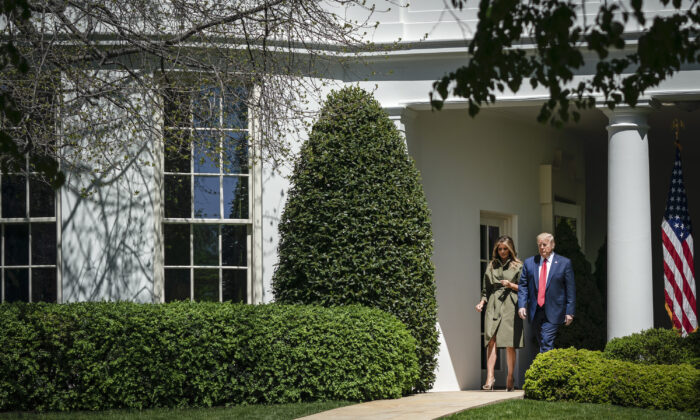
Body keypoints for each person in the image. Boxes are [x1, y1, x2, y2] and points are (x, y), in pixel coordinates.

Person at [475, 235, 523, 392]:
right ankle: (490, 378)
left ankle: (510, 377)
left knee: (509, 343)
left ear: (510, 250)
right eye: (499, 249)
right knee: (491, 340)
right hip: (494, 304)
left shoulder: (518, 266)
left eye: (505, 249)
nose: (502, 252)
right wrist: (482, 302)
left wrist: (511, 285)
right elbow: (485, 289)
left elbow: (525, 288)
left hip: (510, 303)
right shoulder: (491, 266)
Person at [517, 232, 575, 353]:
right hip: (535, 311)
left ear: (552, 245)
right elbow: (523, 285)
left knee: (546, 341)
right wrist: (522, 305)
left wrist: (570, 311)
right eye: (539, 245)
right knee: (542, 341)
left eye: (545, 244)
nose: (542, 247)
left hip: (554, 310)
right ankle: (550, 367)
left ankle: (544, 369)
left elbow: (570, 289)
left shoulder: (564, 263)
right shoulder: (530, 263)